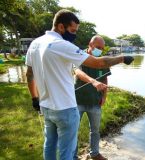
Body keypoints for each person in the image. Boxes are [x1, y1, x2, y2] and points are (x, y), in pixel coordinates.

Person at [25, 9, 134, 160]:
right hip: (65, 108)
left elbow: (29, 75)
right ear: (61, 27)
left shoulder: (35, 44)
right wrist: (122, 58)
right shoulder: (61, 45)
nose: (74, 34)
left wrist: (34, 99)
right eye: (72, 30)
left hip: (45, 106)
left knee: (49, 145)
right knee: (67, 152)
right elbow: (99, 62)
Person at [73, 35, 110, 160]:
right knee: (73, 131)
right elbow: (78, 72)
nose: (99, 50)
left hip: (95, 101)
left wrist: (104, 96)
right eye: (98, 47)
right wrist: (93, 81)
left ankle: (94, 153)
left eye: (102, 48)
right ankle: (73, 156)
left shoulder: (102, 60)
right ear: (90, 44)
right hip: (77, 100)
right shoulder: (79, 56)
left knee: (95, 131)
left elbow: (105, 78)